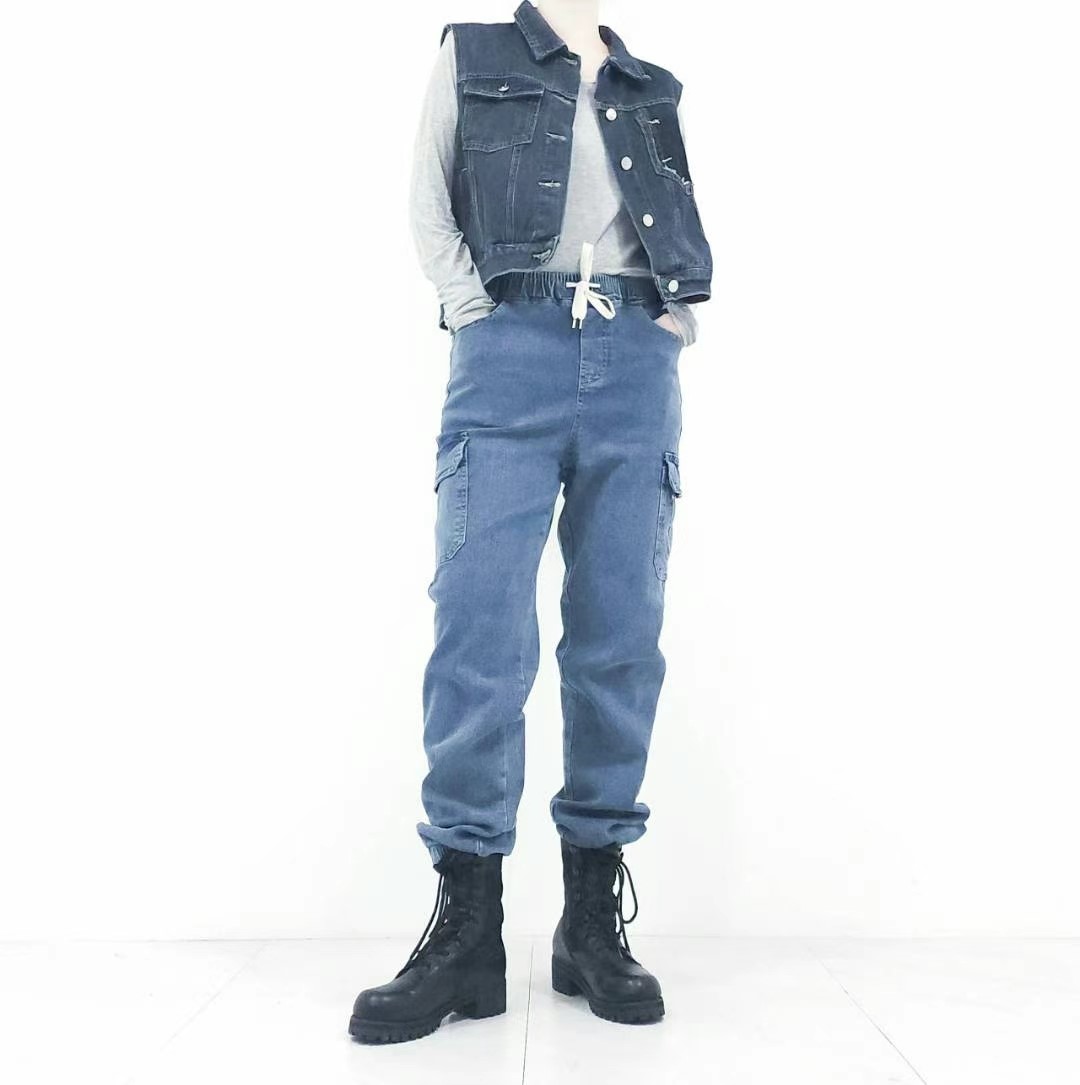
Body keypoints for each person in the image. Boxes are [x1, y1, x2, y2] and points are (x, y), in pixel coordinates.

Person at [349, 0, 712, 1044]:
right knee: (479, 633)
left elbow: (669, 213)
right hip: (507, 348)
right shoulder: (473, 52)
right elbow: (428, 198)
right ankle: (469, 928)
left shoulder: (647, 83)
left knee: (619, 638)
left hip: (636, 357)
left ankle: (589, 922)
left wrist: (672, 319)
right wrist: (473, 310)